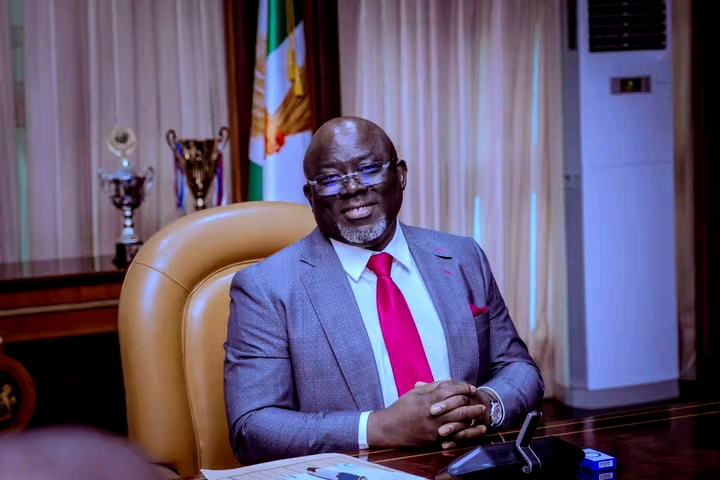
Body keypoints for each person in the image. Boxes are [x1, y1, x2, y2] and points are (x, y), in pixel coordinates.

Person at [224, 116, 544, 465]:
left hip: (472, 466)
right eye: (330, 179)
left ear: (400, 175)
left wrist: (485, 406)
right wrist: (378, 427)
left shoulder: (462, 257)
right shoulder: (266, 288)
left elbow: (519, 367)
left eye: (368, 169)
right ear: (310, 196)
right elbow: (252, 428)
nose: (352, 188)